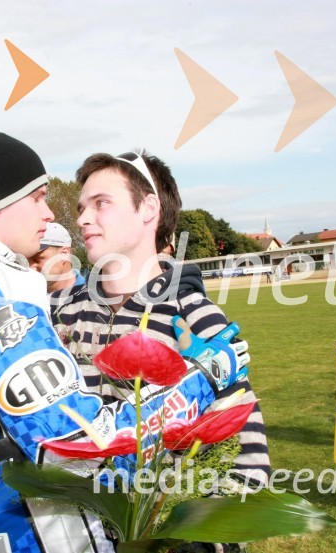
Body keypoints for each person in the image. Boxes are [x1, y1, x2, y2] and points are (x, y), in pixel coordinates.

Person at [0, 131, 226, 553]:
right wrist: (205, 376)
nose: (50, 214)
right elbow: (74, 443)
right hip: (39, 527)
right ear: (1, 199)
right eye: (39, 197)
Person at [51, 150, 271, 490]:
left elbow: (247, 450)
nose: (81, 219)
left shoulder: (193, 315)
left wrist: (206, 538)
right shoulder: (57, 311)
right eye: (82, 208)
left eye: (101, 203)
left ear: (149, 209)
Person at [26, 222, 86, 292]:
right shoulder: (24, 297)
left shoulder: (94, 297)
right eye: (27, 260)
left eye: (37, 259)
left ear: (64, 254)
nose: (30, 267)